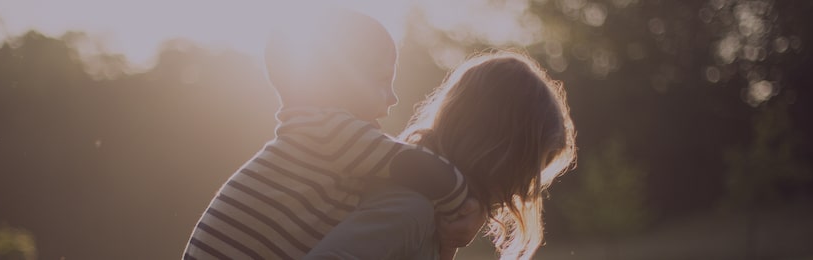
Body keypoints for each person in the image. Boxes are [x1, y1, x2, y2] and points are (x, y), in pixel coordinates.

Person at [182, 8, 474, 260]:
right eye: (383, 80)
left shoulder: (311, 135)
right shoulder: (330, 131)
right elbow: (419, 167)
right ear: (340, 81)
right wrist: (466, 204)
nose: (393, 97)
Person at [308, 51, 577, 260]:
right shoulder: (411, 209)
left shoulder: (437, 213)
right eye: (528, 173)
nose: (525, 191)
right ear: (497, 153)